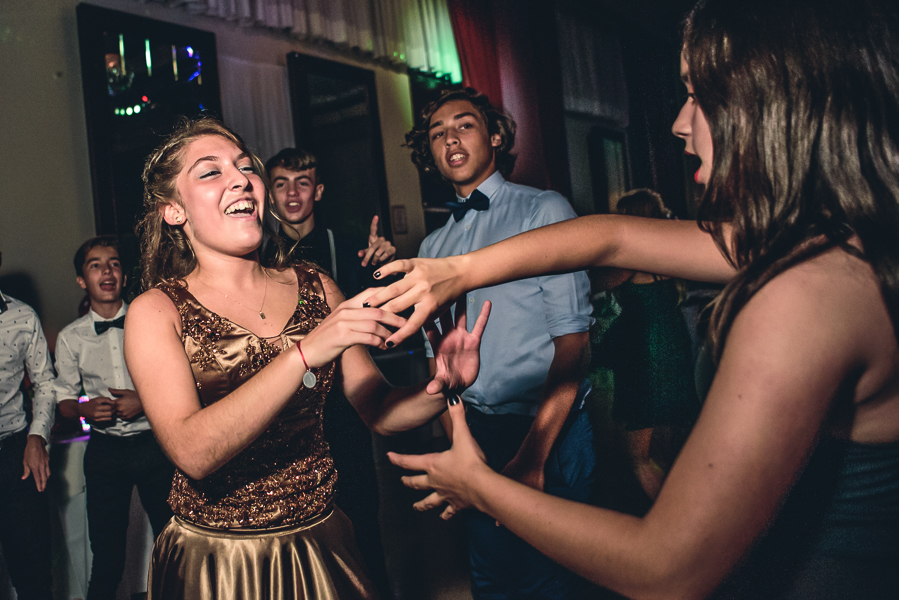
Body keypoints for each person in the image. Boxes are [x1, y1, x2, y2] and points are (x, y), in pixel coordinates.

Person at [367, 1, 899, 598]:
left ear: (773, 104)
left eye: (700, 96)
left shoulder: (806, 289)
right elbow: (612, 234)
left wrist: (479, 485)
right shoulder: (829, 239)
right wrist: (458, 272)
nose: (679, 122)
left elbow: (667, 568)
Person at [123, 117, 489, 600]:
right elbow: (193, 453)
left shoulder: (316, 286)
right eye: (210, 172)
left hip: (321, 542)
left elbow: (377, 409)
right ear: (174, 211)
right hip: (218, 561)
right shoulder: (156, 310)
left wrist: (441, 386)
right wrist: (305, 353)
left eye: (244, 167)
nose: (240, 179)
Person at [406, 87, 594, 599]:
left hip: (548, 431)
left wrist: (534, 454)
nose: (450, 138)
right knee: (491, 579)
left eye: (463, 125)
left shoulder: (544, 210)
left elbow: (575, 340)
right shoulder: (432, 246)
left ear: (494, 136)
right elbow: (436, 363)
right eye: (437, 133)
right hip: (476, 435)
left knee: (554, 579)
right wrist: (458, 442)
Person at [261, 148, 395, 596]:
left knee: (359, 518)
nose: (292, 192)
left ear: (317, 191)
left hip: (342, 405)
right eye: (281, 182)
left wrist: (381, 273)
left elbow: (383, 320)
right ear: (268, 191)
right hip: (280, 409)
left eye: (302, 182)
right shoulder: (254, 253)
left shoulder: (353, 246)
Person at [54, 236, 175, 600]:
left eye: (114, 263)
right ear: (82, 280)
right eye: (95, 265)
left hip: (157, 447)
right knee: (107, 557)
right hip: (105, 454)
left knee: (176, 547)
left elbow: (180, 380)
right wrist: (84, 408)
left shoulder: (153, 320)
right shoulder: (70, 338)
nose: (107, 271)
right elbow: (62, 400)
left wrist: (145, 402)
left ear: (124, 276)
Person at [594, 189, 700, 500]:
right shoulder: (669, 254)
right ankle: (683, 510)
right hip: (672, 347)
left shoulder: (630, 259)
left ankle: (670, 521)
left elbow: (589, 285)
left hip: (643, 356)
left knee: (638, 457)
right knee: (667, 450)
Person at [0, 250, 55, 600]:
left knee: (33, 571)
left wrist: (37, 437)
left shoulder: (22, 316)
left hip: (14, 453)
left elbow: (46, 383)